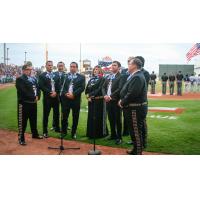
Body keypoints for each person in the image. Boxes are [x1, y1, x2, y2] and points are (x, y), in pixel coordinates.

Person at [119, 58, 147, 155]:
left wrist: (122, 102)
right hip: (134, 108)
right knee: (135, 130)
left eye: (129, 64)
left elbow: (132, 93)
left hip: (135, 109)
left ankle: (137, 151)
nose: (128, 66)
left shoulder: (137, 77)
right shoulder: (135, 76)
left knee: (135, 131)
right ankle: (136, 149)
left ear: (134, 65)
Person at [16, 62, 43, 145]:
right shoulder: (20, 79)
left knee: (33, 120)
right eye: (28, 69)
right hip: (24, 104)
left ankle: (35, 134)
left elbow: (38, 88)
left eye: (30, 69)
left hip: (33, 103)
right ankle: (21, 138)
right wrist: (33, 97)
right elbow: (23, 91)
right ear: (23, 70)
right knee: (22, 122)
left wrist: (38, 96)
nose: (30, 71)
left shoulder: (34, 79)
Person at [60, 62, 85, 139]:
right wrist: (66, 94)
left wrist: (73, 94)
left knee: (75, 117)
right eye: (71, 66)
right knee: (64, 117)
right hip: (66, 99)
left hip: (75, 100)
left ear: (76, 68)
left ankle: (73, 132)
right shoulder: (65, 76)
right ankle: (64, 132)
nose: (72, 68)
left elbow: (82, 88)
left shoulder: (81, 77)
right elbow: (62, 86)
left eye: (74, 67)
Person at [102, 61, 122, 145]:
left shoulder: (121, 77)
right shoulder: (108, 76)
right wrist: (105, 95)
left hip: (115, 101)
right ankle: (113, 134)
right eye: (112, 65)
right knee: (111, 119)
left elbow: (120, 88)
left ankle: (119, 137)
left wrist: (111, 96)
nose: (113, 67)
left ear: (119, 67)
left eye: (115, 65)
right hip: (108, 101)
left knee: (118, 119)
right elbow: (103, 87)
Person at [39, 60, 60, 138]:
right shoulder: (42, 75)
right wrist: (50, 93)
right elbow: (41, 86)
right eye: (49, 65)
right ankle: (45, 131)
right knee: (46, 115)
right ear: (46, 66)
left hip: (56, 98)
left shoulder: (56, 75)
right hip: (47, 98)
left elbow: (59, 86)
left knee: (57, 114)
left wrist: (56, 93)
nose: (50, 66)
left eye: (51, 65)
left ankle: (57, 128)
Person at [85, 66, 107, 138]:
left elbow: (99, 88)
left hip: (99, 100)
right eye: (94, 69)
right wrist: (87, 96)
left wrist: (90, 95)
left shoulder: (102, 79)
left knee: (98, 117)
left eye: (97, 69)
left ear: (100, 70)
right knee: (91, 117)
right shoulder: (91, 79)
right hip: (91, 100)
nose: (95, 70)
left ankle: (99, 134)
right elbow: (87, 89)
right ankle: (91, 133)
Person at [51, 61, 66, 131]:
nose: (60, 67)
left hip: (64, 96)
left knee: (64, 111)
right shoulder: (53, 74)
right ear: (57, 66)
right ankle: (54, 125)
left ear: (64, 66)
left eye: (62, 66)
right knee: (56, 111)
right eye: (59, 66)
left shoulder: (66, 75)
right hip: (56, 95)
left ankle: (65, 125)